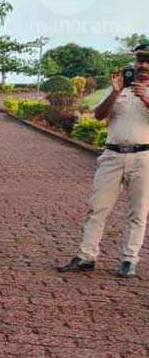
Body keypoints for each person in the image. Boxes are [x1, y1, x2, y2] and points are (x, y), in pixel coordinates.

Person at [57, 43, 149, 279]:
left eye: (148, 62)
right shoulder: (122, 87)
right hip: (112, 155)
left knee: (137, 212)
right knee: (97, 207)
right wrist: (116, 92)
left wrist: (146, 99)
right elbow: (99, 115)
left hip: (143, 157)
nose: (144, 66)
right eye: (140, 61)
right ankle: (86, 256)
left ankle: (129, 260)